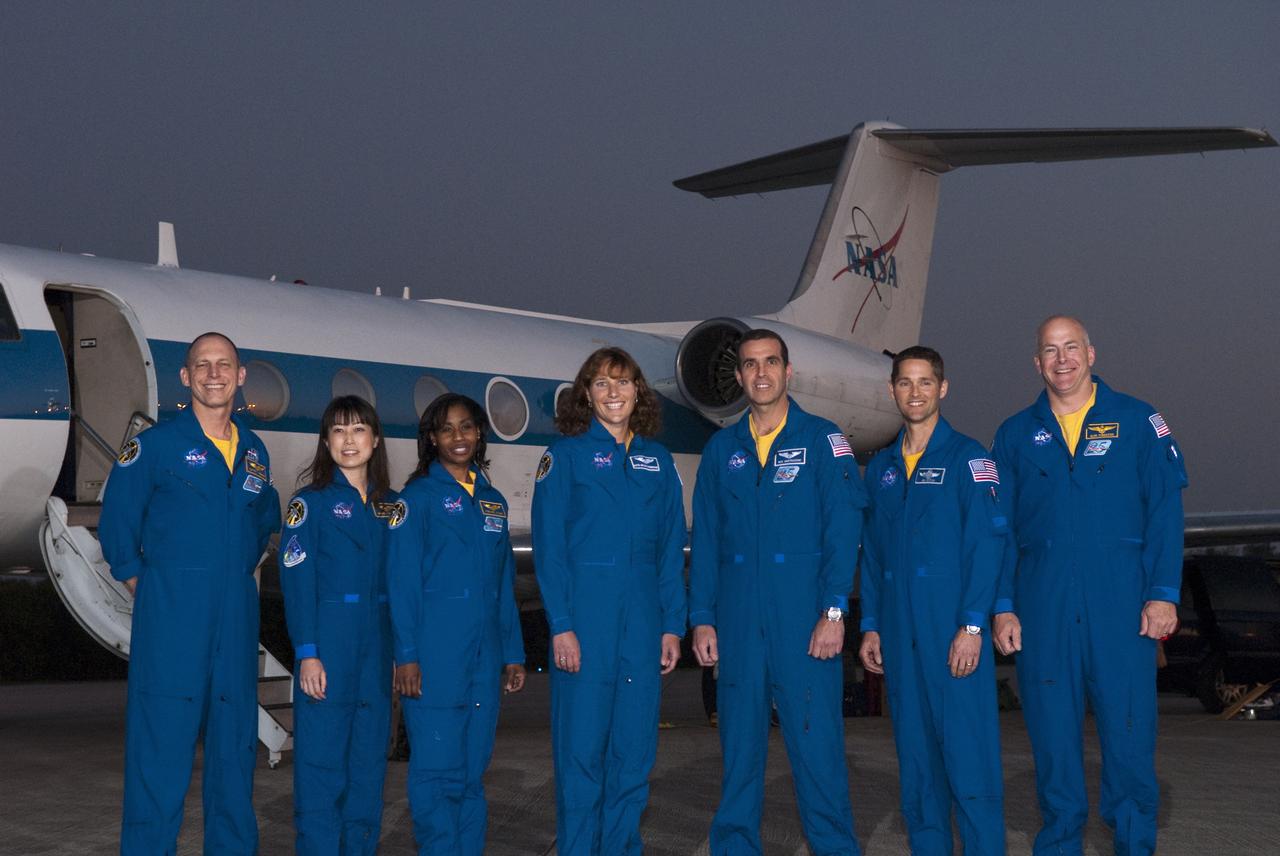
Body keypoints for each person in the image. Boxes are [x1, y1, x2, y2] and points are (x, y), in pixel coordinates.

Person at [991, 316, 1187, 855]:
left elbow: (1166, 513)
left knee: (1128, 736)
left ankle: (1133, 842)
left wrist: (1164, 593)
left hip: (1121, 608)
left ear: (1091, 353)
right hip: (1043, 610)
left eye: (1071, 347)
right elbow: (998, 529)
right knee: (1053, 742)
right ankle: (1059, 843)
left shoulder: (1140, 420)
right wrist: (1003, 606)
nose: (1062, 359)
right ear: (1037, 363)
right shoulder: (1013, 435)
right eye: (1050, 351)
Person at [100, 331, 281, 854]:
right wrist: (150, 584)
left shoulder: (254, 450)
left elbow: (262, 515)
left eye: (224, 364)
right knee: (160, 753)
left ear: (240, 376)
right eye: (202, 365)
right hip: (172, 619)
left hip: (236, 617)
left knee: (234, 752)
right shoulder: (154, 446)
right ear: (186, 377)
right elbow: (118, 522)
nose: (214, 373)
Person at [689, 328, 866, 856]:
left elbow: (843, 529)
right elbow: (708, 539)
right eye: (749, 364)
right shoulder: (723, 449)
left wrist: (835, 610)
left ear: (789, 371)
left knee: (817, 751)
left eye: (770, 362)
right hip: (741, 622)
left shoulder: (822, 439)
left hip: (805, 621)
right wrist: (702, 616)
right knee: (739, 751)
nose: (760, 373)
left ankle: (834, 847)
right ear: (739, 377)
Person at [531, 347, 686, 855]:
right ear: (586, 395)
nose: (613, 392)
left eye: (623, 383)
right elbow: (550, 551)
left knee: (633, 755)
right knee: (580, 754)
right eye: (601, 383)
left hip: (642, 625)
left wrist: (671, 626)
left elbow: (668, 549)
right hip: (586, 625)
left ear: (639, 391)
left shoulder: (657, 461)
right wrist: (561, 625)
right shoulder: (565, 457)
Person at [858, 346, 1007, 855]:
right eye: (905, 383)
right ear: (892, 390)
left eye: (925, 382)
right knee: (918, 768)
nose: (915, 392)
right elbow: (874, 555)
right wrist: (872, 624)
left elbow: (988, 547)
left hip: (952, 632)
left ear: (943, 389)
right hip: (900, 635)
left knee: (969, 762)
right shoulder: (880, 469)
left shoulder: (970, 459)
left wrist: (971, 626)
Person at [387, 393, 527, 855]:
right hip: (434, 657)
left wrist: (513, 653)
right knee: (435, 773)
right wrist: (405, 655)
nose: (458, 437)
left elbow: (503, 584)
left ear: (480, 433)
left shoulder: (493, 503)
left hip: (485, 659)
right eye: (447, 429)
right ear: (431, 438)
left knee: (471, 772)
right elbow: (402, 583)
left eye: (466, 426)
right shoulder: (416, 500)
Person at [279, 395, 398, 854]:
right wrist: (307, 652)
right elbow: (297, 582)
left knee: (368, 765)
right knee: (321, 765)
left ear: (376, 439)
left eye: (359, 430)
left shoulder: (393, 507)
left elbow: (404, 587)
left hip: (378, 646)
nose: (350, 441)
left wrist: (400, 655)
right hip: (329, 641)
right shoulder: (308, 505)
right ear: (326, 442)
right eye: (339, 431)